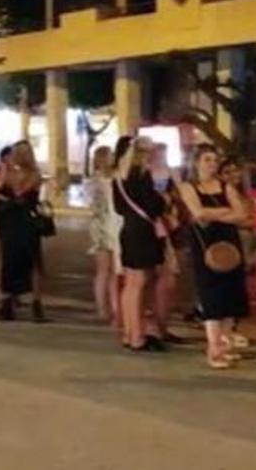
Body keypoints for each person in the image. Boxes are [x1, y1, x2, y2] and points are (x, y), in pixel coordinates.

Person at [178, 144, 251, 369]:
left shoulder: (225, 186)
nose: (212, 164)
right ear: (196, 162)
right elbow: (197, 212)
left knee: (231, 293)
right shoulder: (188, 187)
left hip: (229, 243)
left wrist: (214, 215)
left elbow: (242, 214)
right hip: (205, 245)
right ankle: (214, 348)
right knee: (211, 294)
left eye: (214, 160)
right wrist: (225, 213)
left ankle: (226, 344)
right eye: (207, 160)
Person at [113, 136, 168, 352]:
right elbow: (153, 205)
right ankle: (138, 336)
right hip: (143, 232)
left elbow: (119, 208)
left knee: (130, 282)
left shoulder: (119, 177)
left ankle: (129, 333)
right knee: (139, 281)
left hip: (128, 229)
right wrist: (162, 199)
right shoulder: (142, 176)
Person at [0, 141, 46, 322]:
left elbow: (18, 192)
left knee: (21, 261)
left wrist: (9, 175)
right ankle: (23, 304)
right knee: (22, 262)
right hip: (18, 221)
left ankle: (19, 303)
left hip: (19, 221)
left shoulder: (25, 173)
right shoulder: (26, 173)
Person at [148, 143, 183, 343]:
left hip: (169, 226)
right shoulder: (145, 175)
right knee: (158, 277)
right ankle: (155, 326)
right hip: (154, 229)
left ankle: (162, 324)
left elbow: (181, 195)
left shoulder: (171, 173)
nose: (160, 156)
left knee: (168, 278)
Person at [87, 145, 120, 322]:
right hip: (101, 226)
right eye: (108, 156)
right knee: (103, 269)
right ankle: (102, 307)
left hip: (115, 224)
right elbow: (95, 205)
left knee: (115, 270)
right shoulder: (95, 181)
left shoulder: (116, 177)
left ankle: (115, 307)